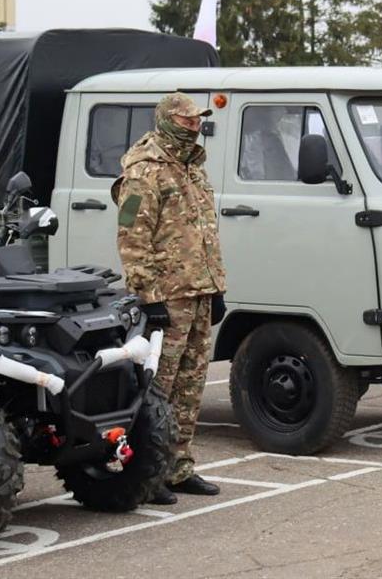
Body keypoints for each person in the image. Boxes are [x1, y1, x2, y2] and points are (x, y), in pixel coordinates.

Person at [115, 92, 226, 505]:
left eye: (198, 119)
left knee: (191, 385)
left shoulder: (193, 168)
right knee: (159, 387)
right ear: (167, 120)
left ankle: (178, 466)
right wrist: (148, 295)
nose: (195, 125)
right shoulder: (145, 171)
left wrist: (216, 288)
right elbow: (131, 234)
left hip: (198, 290)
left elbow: (204, 234)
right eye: (187, 119)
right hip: (167, 295)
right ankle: (148, 470)